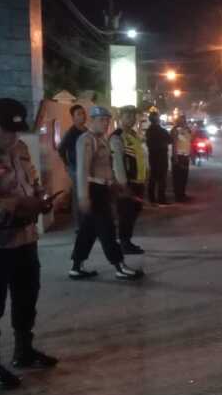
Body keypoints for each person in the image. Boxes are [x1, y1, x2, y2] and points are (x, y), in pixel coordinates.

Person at [0, 98, 57, 390]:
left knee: (27, 299)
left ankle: (24, 351)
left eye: (16, 131)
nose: (12, 137)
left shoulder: (21, 148)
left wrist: (40, 197)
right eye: (6, 131)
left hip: (26, 238)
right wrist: (14, 204)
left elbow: (33, 181)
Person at [70, 105, 143, 280]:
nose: (105, 123)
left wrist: (115, 184)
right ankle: (119, 266)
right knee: (107, 229)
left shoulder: (101, 139)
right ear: (92, 120)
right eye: (101, 120)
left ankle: (76, 267)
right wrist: (83, 196)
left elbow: (106, 167)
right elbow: (82, 170)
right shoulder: (86, 140)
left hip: (102, 189)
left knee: (88, 231)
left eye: (107, 120)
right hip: (94, 191)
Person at [110, 106, 147, 254]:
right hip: (127, 183)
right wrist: (123, 184)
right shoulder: (117, 137)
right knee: (126, 214)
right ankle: (124, 244)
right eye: (128, 116)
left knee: (133, 212)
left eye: (133, 116)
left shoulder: (133, 135)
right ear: (120, 118)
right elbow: (117, 163)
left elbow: (140, 157)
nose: (131, 119)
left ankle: (127, 241)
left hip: (138, 181)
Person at [57, 104, 87, 228]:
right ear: (73, 117)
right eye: (79, 114)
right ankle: (79, 225)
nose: (82, 116)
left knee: (85, 193)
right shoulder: (71, 133)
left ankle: (86, 222)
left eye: (83, 113)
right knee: (78, 195)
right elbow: (61, 149)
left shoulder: (86, 131)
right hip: (75, 168)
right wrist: (67, 164)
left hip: (85, 167)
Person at [146, 109, 171, 205]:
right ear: (157, 119)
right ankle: (161, 198)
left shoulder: (149, 131)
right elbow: (170, 140)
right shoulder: (162, 131)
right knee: (161, 179)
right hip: (161, 156)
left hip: (152, 156)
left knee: (153, 177)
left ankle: (151, 198)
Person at [170, 114, 193, 201]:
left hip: (185, 156)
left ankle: (182, 194)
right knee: (178, 177)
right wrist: (175, 157)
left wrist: (189, 154)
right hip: (178, 156)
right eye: (181, 120)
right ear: (178, 121)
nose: (183, 122)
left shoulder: (187, 130)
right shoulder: (175, 130)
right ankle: (178, 196)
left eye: (184, 120)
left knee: (184, 177)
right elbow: (174, 144)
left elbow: (189, 141)